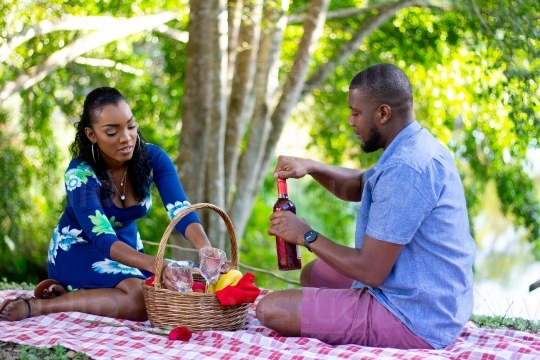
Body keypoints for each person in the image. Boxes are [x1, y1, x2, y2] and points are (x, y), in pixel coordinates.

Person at [256, 63, 476, 350]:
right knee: (313, 274)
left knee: (271, 309)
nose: (350, 121)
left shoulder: (407, 169)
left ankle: (372, 325)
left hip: (415, 317)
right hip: (431, 295)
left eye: (356, 113)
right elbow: (360, 186)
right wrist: (309, 166)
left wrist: (306, 235)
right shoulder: (412, 144)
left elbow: (371, 272)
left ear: (383, 113)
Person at [0, 87, 211, 321]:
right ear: (91, 135)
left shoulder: (154, 158)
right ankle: (40, 306)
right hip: (79, 250)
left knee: (184, 282)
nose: (126, 137)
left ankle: (80, 293)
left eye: (131, 126)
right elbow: (102, 238)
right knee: (139, 301)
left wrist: (206, 249)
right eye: (112, 132)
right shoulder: (79, 175)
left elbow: (179, 208)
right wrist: (158, 264)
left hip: (129, 252)